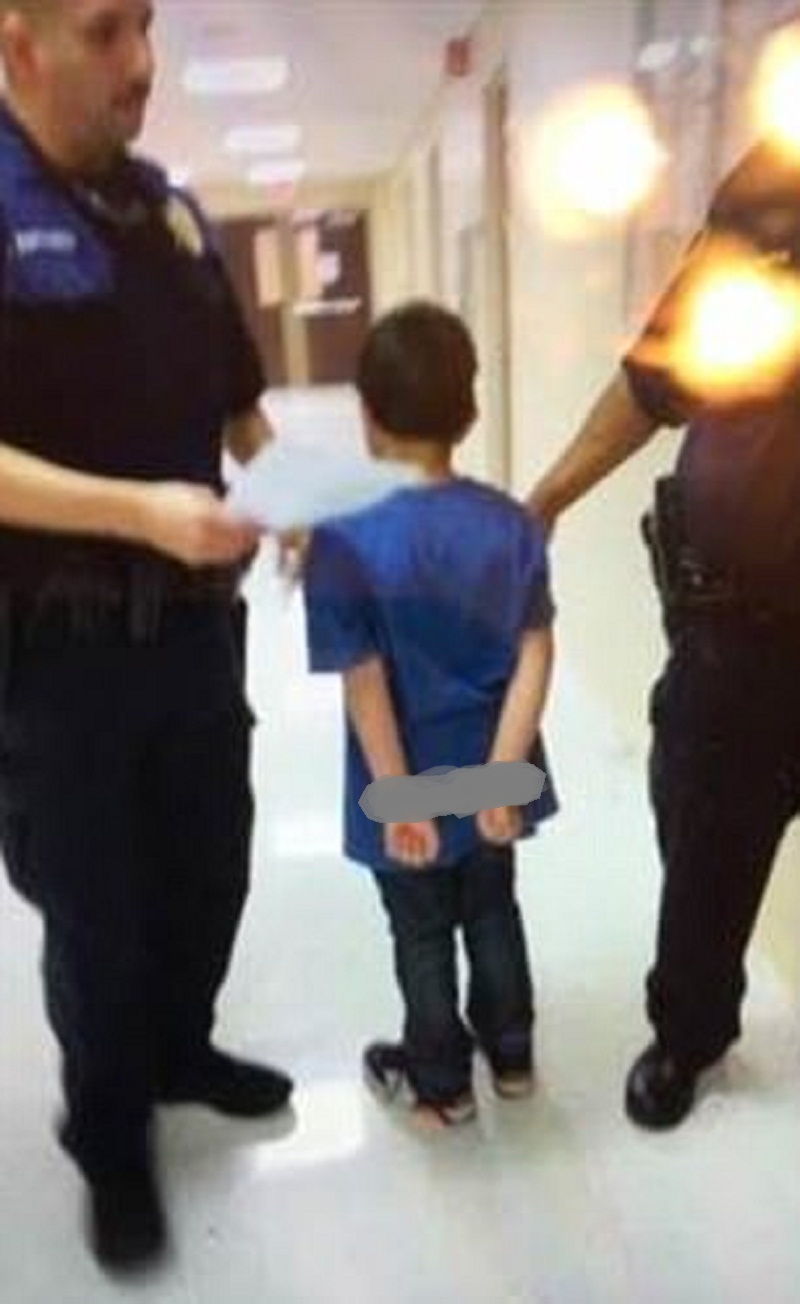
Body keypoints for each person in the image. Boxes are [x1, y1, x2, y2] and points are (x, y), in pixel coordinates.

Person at [0, 0, 293, 1273]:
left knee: (208, 865)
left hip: (193, 636)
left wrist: (289, 491)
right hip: (55, 651)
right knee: (97, 907)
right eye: (107, 32)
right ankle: (110, 1134)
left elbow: (238, 405)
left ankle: (179, 1048)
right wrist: (138, 512)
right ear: (19, 43)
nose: (142, 63)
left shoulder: (168, 213)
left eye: (147, 27)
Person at [527, 130, 800, 1130]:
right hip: (737, 636)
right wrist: (547, 497)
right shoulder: (769, 195)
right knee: (702, 841)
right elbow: (654, 383)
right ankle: (690, 1033)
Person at [303, 301, 557, 1127]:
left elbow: (364, 682)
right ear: (470, 413)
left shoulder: (343, 540)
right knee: (493, 907)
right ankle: (512, 1058)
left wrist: (399, 797)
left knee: (420, 933)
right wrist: (503, 775)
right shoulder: (511, 525)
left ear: (369, 418)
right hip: (492, 768)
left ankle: (442, 1086)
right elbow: (535, 652)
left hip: (406, 777)